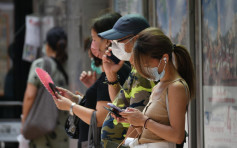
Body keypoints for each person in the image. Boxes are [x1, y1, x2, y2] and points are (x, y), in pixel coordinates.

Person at [53, 12, 131, 148]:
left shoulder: (114, 71)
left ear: (107, 40)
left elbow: (100, 118)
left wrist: (70, 106)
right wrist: (76, 99)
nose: (92, 44)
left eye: (94, 39)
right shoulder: (118, 68)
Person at [119, 27, 195, 148]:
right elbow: (151, 135)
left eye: (147, 65)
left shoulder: (176, 87)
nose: (144, 70)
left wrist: (144, 121)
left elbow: (178, 136)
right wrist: (136, 121)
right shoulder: (158, 86)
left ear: (164, 59)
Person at [98, 14, 156, 147]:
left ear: (135, 40)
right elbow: (121, 104)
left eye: (119, 41)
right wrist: (111, 74)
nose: (114, 45)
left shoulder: (144, 72)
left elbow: (137, 121)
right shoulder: (137, 68)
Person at [22, 27, 69, 148]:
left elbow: (30, 96)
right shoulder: (65, 67)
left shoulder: (41, 64)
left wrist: (24, 122)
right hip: (62, 131)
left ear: (47, 45)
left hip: (42, 131)